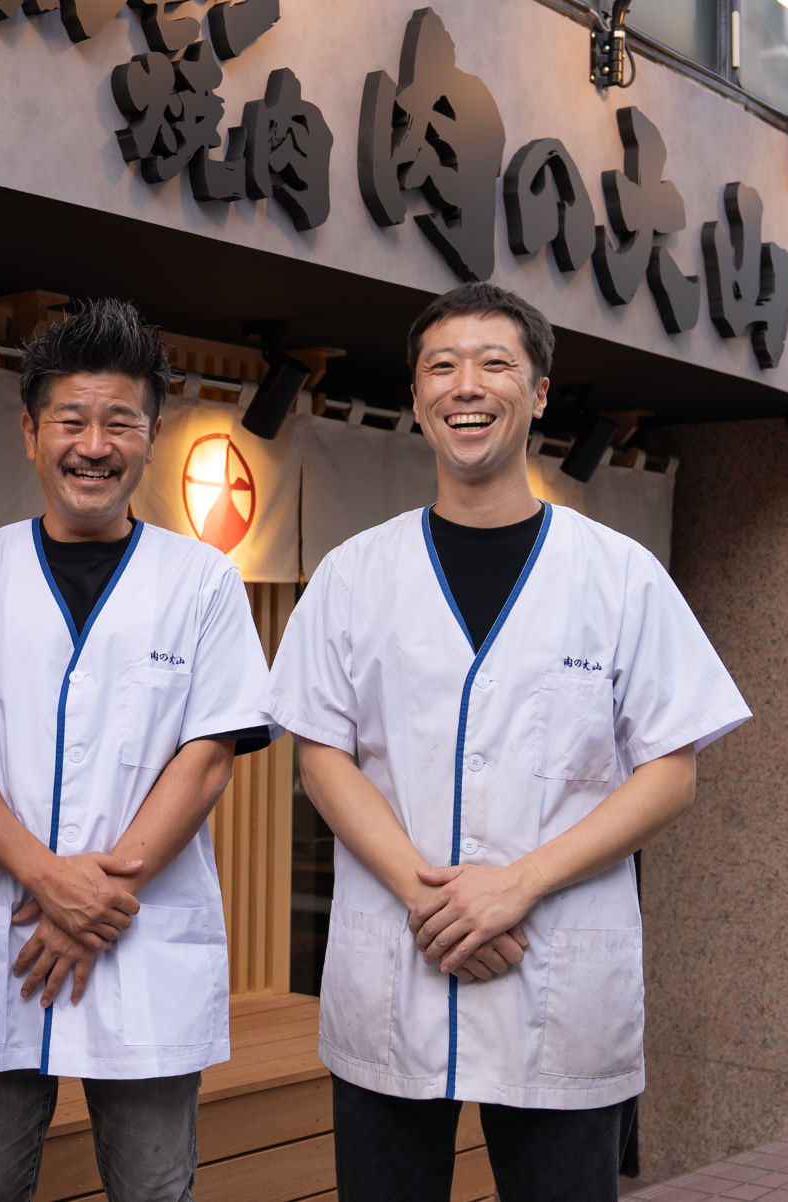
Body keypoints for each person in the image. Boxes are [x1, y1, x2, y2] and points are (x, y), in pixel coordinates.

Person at [268, 282, 751, 1202]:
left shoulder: (619, 576)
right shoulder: (353, 573)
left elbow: (670, 772)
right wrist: (435, 901)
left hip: (554, 974)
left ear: (537, 394)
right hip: (398, 969)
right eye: (441, 367)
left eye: (495, 364)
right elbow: (322, 754)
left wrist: (516, 887)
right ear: (418, 398)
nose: (466, 386)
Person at [0, 298, 276, 1202]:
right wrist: (47, 877)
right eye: (71, 420)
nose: (94, 445)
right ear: (31, 433)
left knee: (154, 1192)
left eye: (120, 422)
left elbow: (208, 755)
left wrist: (94, 898)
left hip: (137, 935)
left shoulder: (202, 581)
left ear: (152, 439)